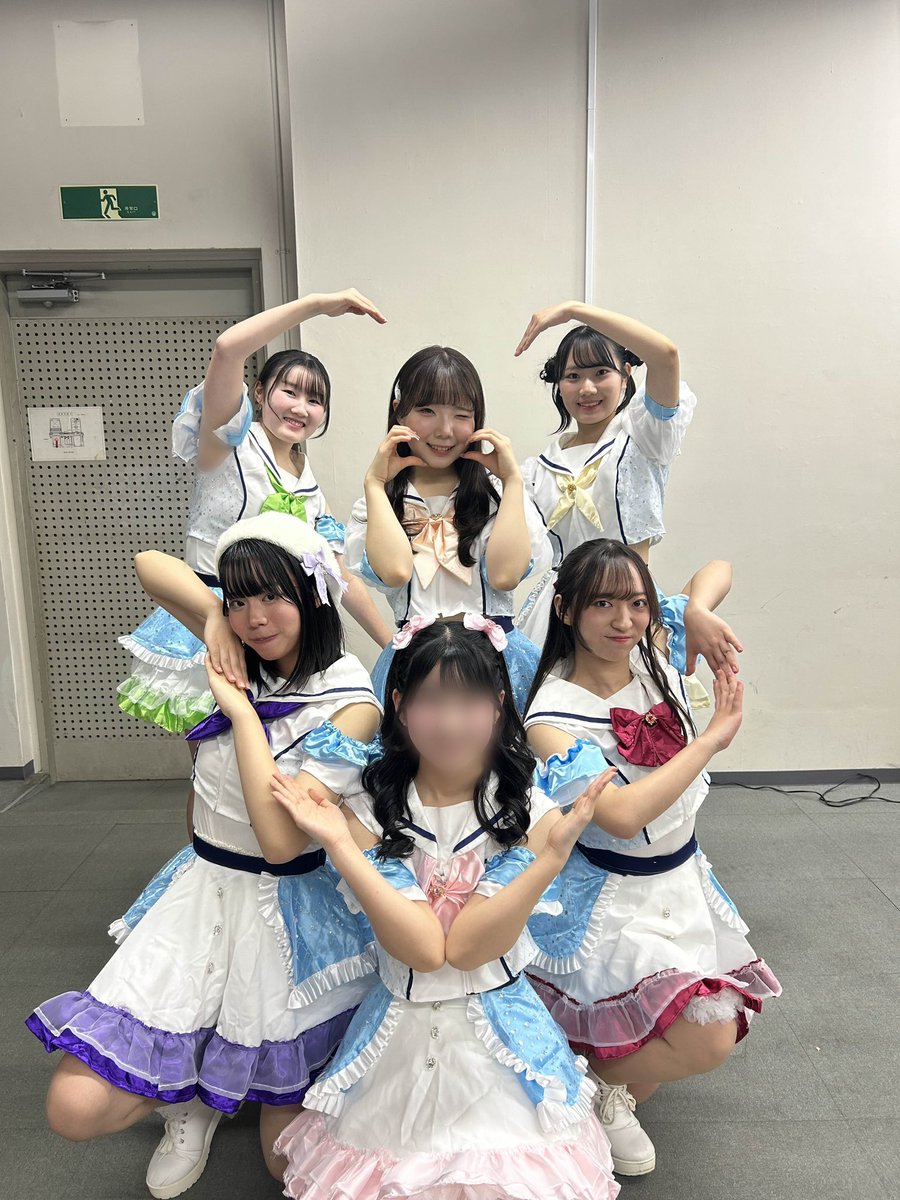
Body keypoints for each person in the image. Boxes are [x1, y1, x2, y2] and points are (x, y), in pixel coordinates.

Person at [27, 514, 382, 1197]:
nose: (256, 617)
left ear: (313, 594)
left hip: (291, 908)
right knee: (73, 1107)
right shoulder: (237, 640)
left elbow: (282, 844)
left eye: (272, 595)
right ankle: (189, 1101)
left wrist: (243, 715)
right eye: (240, 597)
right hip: (205, 890)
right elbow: (148, 563)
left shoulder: (349, 699)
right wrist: (216, 620)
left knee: (287, 1164)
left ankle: (225, 1086)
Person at [271, 619, 620, 1199]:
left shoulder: (528, 808)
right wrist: (339, 844)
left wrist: (550, 860)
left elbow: (468, 948)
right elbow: (422, 950)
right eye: (432, 700)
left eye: (470, 700)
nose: (451, 722)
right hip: (396, 1033)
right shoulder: (370, 807)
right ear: (400, 705)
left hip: (500, 1035)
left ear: (499, 704)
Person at [522, 540, 781, 1177]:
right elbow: (620, 815)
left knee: (658, 1045)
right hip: (612, 900)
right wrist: (711, 739)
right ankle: (588, 1084)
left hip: (682, 881)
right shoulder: (550, 717)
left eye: (638, 604)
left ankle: (598, 1088)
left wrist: (693, 610)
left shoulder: (653, 652)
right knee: (707, 1037)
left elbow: (720, 567)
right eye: (603, 604)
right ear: (565, 610)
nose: (624, 620)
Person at [344, 345, 552, 711]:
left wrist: (513, 480)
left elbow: (505, 576)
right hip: (416, 666)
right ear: (399, 411)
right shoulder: (378, 502)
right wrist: (375, 484)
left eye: (461, 415)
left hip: (496, 664)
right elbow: (394, 572)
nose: (444, 430)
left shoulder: (499, 495)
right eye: (427, 411)